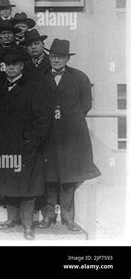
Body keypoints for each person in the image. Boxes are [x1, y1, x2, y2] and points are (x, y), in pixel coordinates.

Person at [37, 39, 101, 232]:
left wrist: (69, 119)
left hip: (71, 135)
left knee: (68, 176)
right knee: (49, 175)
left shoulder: (79, 77)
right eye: (53, 56)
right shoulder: (39, 77)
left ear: (67, 59)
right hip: (47, 134)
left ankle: (67, 217)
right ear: (49, 57)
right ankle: (48, 216)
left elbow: (86, 105)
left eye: (60, 57)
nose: (56, 60)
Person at [0, 47, 50, 240]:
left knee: (27, 187)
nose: (11, 68)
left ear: (22, 66)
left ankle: (28, 225)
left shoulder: (33, 86)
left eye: (15, 64)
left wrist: (31, 140)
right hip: (4, 145)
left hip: (26, 146)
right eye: (8, 65)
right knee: (8, 183)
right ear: (3, 67)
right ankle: (11, 219)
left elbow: (43, 119)